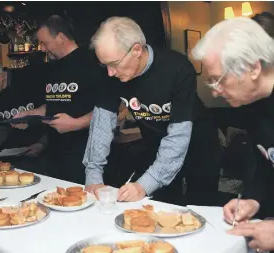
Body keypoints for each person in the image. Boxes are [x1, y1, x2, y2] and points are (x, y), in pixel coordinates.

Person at [84, 16, 221, 206]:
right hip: (156, 146)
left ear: (136, 50)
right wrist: (94, 176)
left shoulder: (177, 69)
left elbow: (178, 137)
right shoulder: (111, 73)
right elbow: (101, 125)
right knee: (159, 208)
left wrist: (144, 185)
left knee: (200, 208)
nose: (109, 72)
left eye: (114, 64)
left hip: (199, 145)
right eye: (104, 65)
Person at [192, 17, 274, 252]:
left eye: (220, 80)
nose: (216, 92)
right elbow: (265, 163)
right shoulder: (252, 103)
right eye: (210, 82)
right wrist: (253, 200)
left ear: (254, 68)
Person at [11, 15, 120, 184]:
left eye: (45, 43)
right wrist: (30, 114)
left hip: (86, 155)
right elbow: (54, 103)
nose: (43, 48)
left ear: (61, 37)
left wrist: (77, 123)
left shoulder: (93, 61)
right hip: (54, 154)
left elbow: (114, 108)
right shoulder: (52, 67)